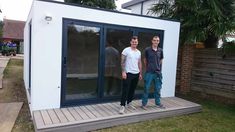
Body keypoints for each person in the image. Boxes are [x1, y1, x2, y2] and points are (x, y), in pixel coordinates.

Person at [119, 36, 142, 114]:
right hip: (128, 73)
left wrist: (140, 73)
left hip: (136, 73)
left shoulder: (138, 52)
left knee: (132, 89)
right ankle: (122, 105)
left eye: (135, 42)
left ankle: (129, 103)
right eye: (133, 42)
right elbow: (122, 61)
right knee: (125, 90)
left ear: (137, 43)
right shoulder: (126, 50)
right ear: (130, 42)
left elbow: (139, 62)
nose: (134, 43)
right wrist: (123, 72)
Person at [142, 36, 164, 109]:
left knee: (157, 88)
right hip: (149, 72)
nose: (156, 42)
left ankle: (158, 103)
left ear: (159, 42)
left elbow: (161, 60)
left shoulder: (160, 50)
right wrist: (148, 67)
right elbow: (145, 60)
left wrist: (157, 66)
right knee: (146, 88)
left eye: (157, 40)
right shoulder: (147, 50)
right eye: (154, 40)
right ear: (152, 41)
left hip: (157, 73)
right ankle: (144, 104)